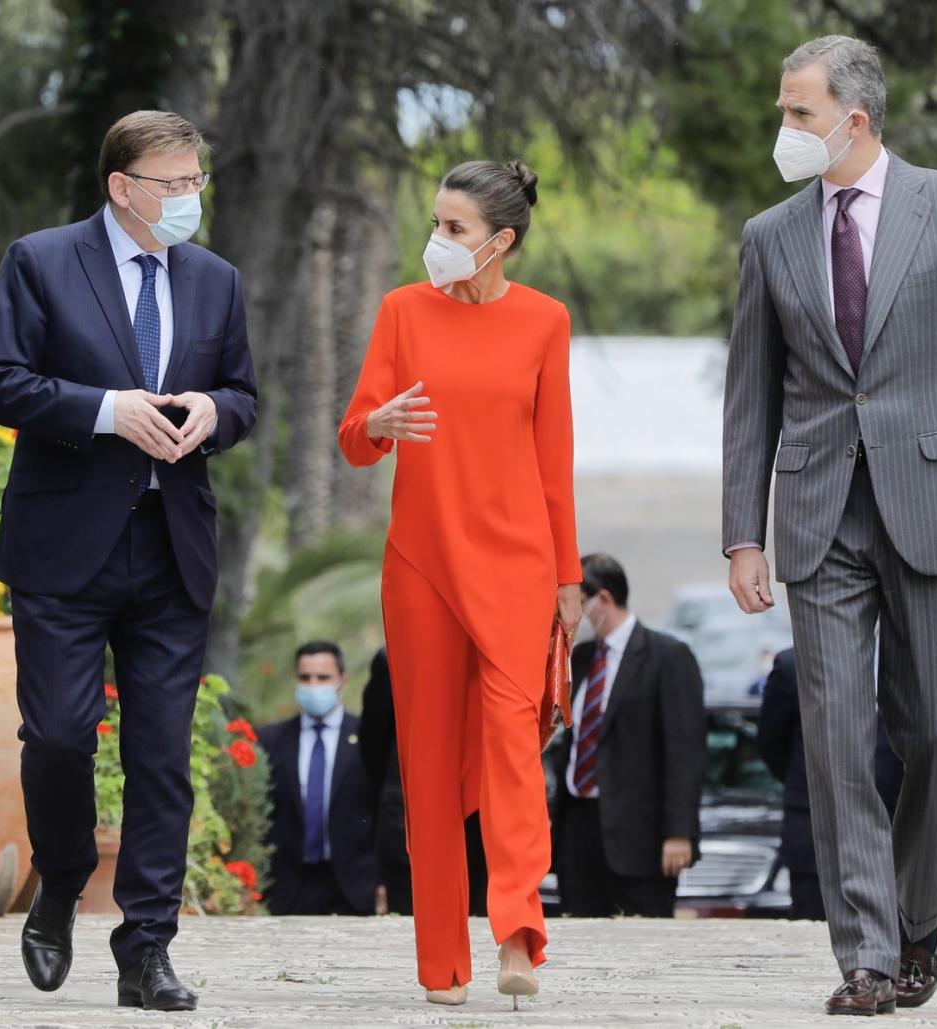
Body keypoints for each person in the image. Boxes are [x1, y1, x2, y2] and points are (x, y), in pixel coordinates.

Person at [721, 36, 937, 1015]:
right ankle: (865, 954)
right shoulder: (769, 235)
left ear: (853, 120)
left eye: (798, 114)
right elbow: (750, 400)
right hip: (818, 516)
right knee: (835, 740)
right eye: (784, 112)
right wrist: (744, 533)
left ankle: (916, 912)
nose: (784, 130)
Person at [0, 110, 256, 1011]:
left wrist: (215, 411)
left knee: (163, 755)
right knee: (56, 734)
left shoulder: (216, 279)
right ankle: (58, 883)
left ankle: (146, 948)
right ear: (122, 188)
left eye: (196, 182)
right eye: (173, 185)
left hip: (172, 547)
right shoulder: (43, 259)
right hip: (65, 547)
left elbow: (245, 394)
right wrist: (104, 409)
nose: (189, 200)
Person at [338, 159, 581, 1009]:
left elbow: (556, 460)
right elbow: (355, 437)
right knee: (430, 762)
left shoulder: (546, 322)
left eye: (454, 229)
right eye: (436, 224)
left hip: (516, 568)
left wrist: (568, 577)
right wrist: (376, 421)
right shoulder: (403, 310)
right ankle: (442, 958)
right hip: (422, 568)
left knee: (515, 745)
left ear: (499, 241)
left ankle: (518, 931)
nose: (437, 242)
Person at [548, 554, 706, 918]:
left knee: (644, 940)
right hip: (579, 828)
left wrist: (679, 832)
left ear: (602, 599)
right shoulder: (580, 658)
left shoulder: (667, 657)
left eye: (575, 604)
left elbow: (685, 751)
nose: (570, 616)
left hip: (641, 834)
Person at [758, 648, 904, 921]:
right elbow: (771, 742)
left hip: (889, 830)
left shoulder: (905, 663)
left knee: (889, 930)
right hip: (813, 828)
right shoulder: (794, 664)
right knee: (812, 930)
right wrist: (813, 784)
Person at [357, 647, 489, 917]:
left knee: (479, 923)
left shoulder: (492, 649)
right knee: (413, 921)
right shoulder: (394, 655)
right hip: (409, 815)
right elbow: (373, 745)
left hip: (479, 823)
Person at [257, 641, 379, 916]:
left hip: (355, 889)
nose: (313, 685)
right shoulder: (270, 740)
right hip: (286, 889)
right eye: (305, 678)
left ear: (342, 680)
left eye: (323, 678)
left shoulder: (367, 737)